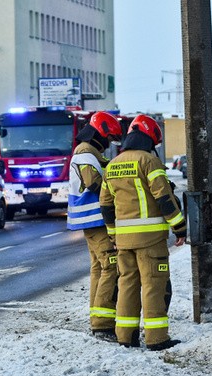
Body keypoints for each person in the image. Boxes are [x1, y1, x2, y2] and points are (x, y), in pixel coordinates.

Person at [99, 114, 186, 351]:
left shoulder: (112, 165)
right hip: (151, 241)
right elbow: (164, 198)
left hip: (124, 242)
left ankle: (125, 336)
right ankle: (156, 339)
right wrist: (179, 226)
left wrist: (113, 235)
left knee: (127, 285)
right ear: (149, 139)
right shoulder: (148, 162)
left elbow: (106, 206)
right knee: (153, 286)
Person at [67, 111, 123, 341]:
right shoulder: (85, 153)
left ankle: (97, 317)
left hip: (91, 219)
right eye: (108, 139)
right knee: (110, 266)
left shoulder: (89, 153)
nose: (108, 144)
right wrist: (116, 193)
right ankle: (102, 325)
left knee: (99, 268)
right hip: (94, 217)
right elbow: (93, 182)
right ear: (100, 134)